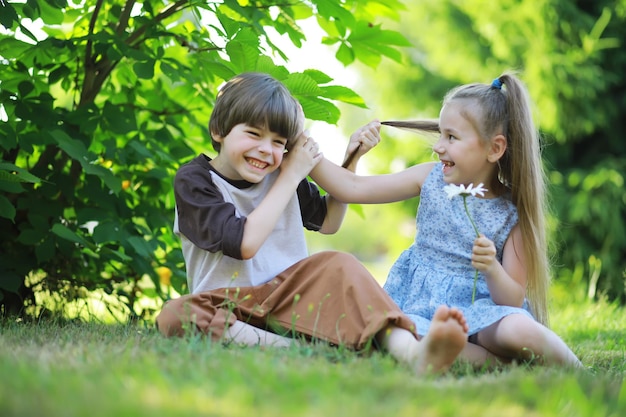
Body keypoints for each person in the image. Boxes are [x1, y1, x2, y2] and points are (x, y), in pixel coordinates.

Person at [155, 72, 469, 375]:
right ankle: (292, 347)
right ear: (218, 131)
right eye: (253, 134)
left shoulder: (280, 173)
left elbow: (329, 221)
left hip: (290, 298)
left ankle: (413, 352)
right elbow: (244, 243)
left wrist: (351, 161)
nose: (266, 150)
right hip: (228, 305)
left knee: (341, 264)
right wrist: (291, 174)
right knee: (175, 315)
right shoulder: (196, 180)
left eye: (279, 142)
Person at [310, 73, 582, 368]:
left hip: (483, 313)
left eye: (451, 137)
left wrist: (491, 267)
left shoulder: (513, 212)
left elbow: (511, 300)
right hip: (421, 307)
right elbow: (351, 188)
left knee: (518, 326)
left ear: (494, 148)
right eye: (440, 134)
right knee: (392, 333)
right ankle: (496, 364)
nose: (438, 146)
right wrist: (302, 150)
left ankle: (577, 370)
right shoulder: (428, 178)